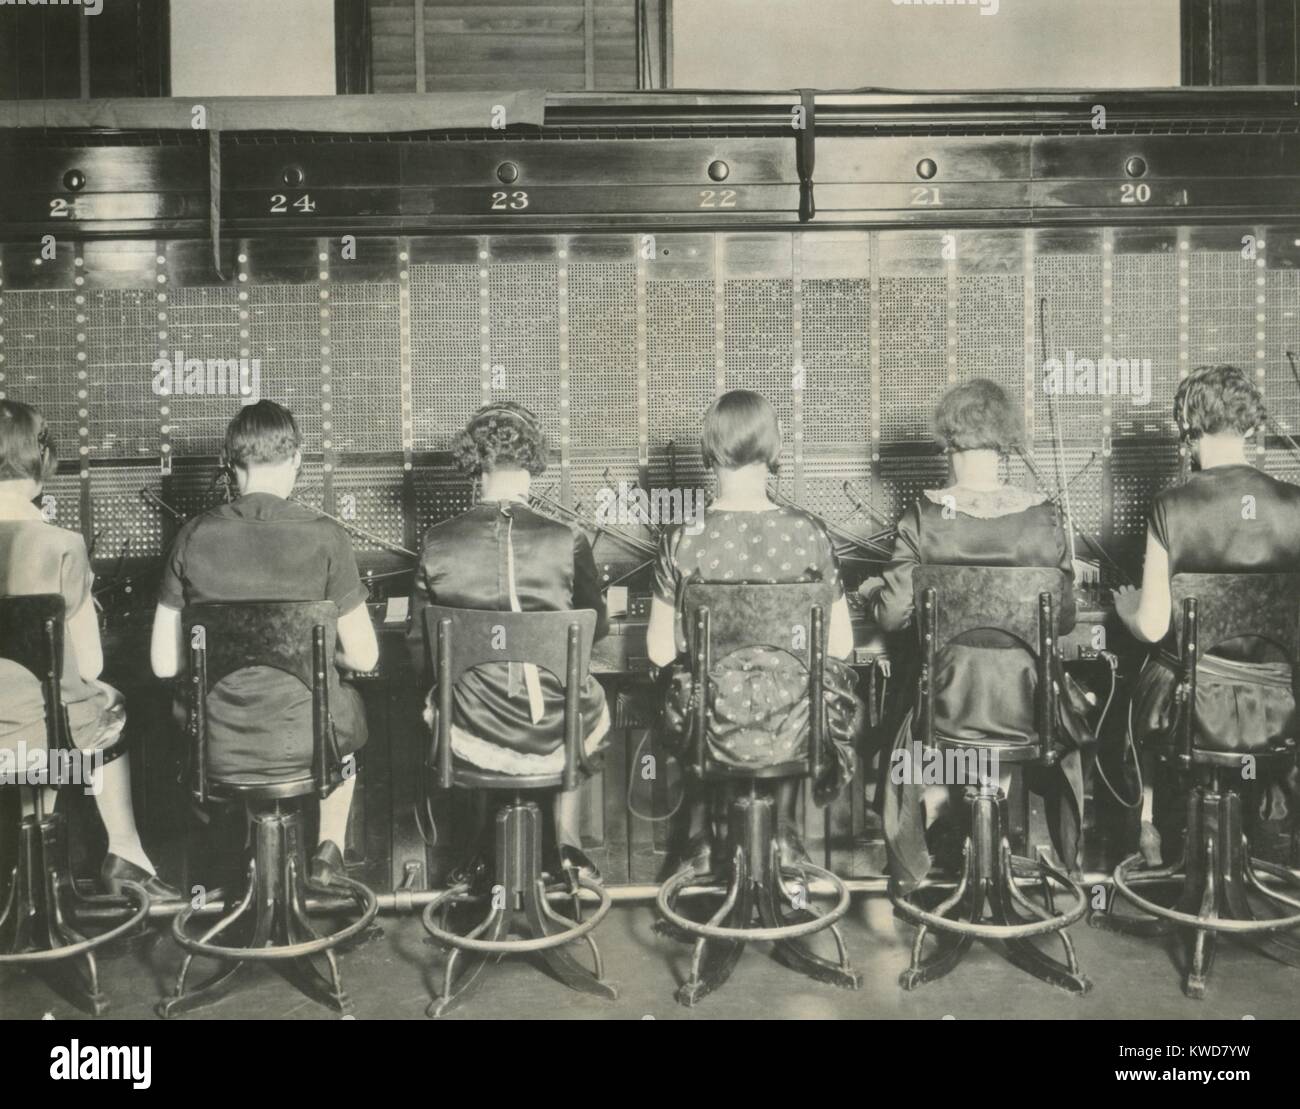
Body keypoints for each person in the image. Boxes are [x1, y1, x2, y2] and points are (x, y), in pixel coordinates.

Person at [862, 378, 1092, 890]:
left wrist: (875, 592)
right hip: (1031, 713)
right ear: (1005, 441)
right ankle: (979, 825)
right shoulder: (1044, 515)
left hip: (944, 709)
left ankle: (937, 815)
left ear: (947, 441)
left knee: (903, 698)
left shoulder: (923, 516)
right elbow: (1064, 619)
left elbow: (892, 619)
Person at [150, 400, 377, 886]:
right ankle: (327, 851)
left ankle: (248, 876)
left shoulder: (191, 536)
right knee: (350, 714)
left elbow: (165, 664)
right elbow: (365, 656)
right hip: (310, 748)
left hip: (215, 747)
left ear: (232, 466)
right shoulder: (327, 537)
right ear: (296, 460)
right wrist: (318, 654)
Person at [645, 390, 860, 874]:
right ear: (774, 449)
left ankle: (701, 841)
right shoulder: (810, 533)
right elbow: (841, 646)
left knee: (690, 689)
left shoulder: (683, 538)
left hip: (712, 729)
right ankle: (784, 837)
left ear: (709, 450)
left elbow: (659, 652)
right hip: (796, 731)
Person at [407, 401, 609, 879]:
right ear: (533, 459)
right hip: (556, 731)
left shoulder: (438, 542)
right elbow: (593, 627)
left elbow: (420, 648)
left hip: (470, 729)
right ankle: (567, 844)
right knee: (580, 695)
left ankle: (480, 849)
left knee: (468, 696)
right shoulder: (568, 539)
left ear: (474, 463)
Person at [1116, 364, 1300, 866]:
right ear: (1251, 427)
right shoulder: (1295, 505)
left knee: (1138, 674)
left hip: (1191, 710)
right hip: (1281, 709)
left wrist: (1126, 609)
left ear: (1187, 428)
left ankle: (1148, 831)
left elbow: (1153, 627)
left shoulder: (1171, 506)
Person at [0, 400, 177, 898]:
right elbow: (91, 663)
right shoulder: (63, 544)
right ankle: (125, 853)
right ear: (41, 460)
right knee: (103, 704)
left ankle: (31, 876)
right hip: (39, 741)